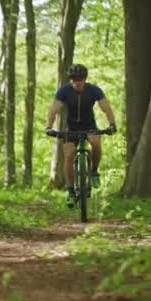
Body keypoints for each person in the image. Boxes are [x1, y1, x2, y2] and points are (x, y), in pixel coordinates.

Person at [45, 64, 117, 207]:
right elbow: (54, 110)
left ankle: (94, 172)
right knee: (69, 154)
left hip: (89, 125)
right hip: (71, 127)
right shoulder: (64, 91)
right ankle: (71, 191)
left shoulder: (93, 90)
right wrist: (49, 126)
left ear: (85, 79)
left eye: (80, 78)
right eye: (73, 78)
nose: (76, 81)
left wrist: (112, 124)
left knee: (96, 142)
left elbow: (106, 108)